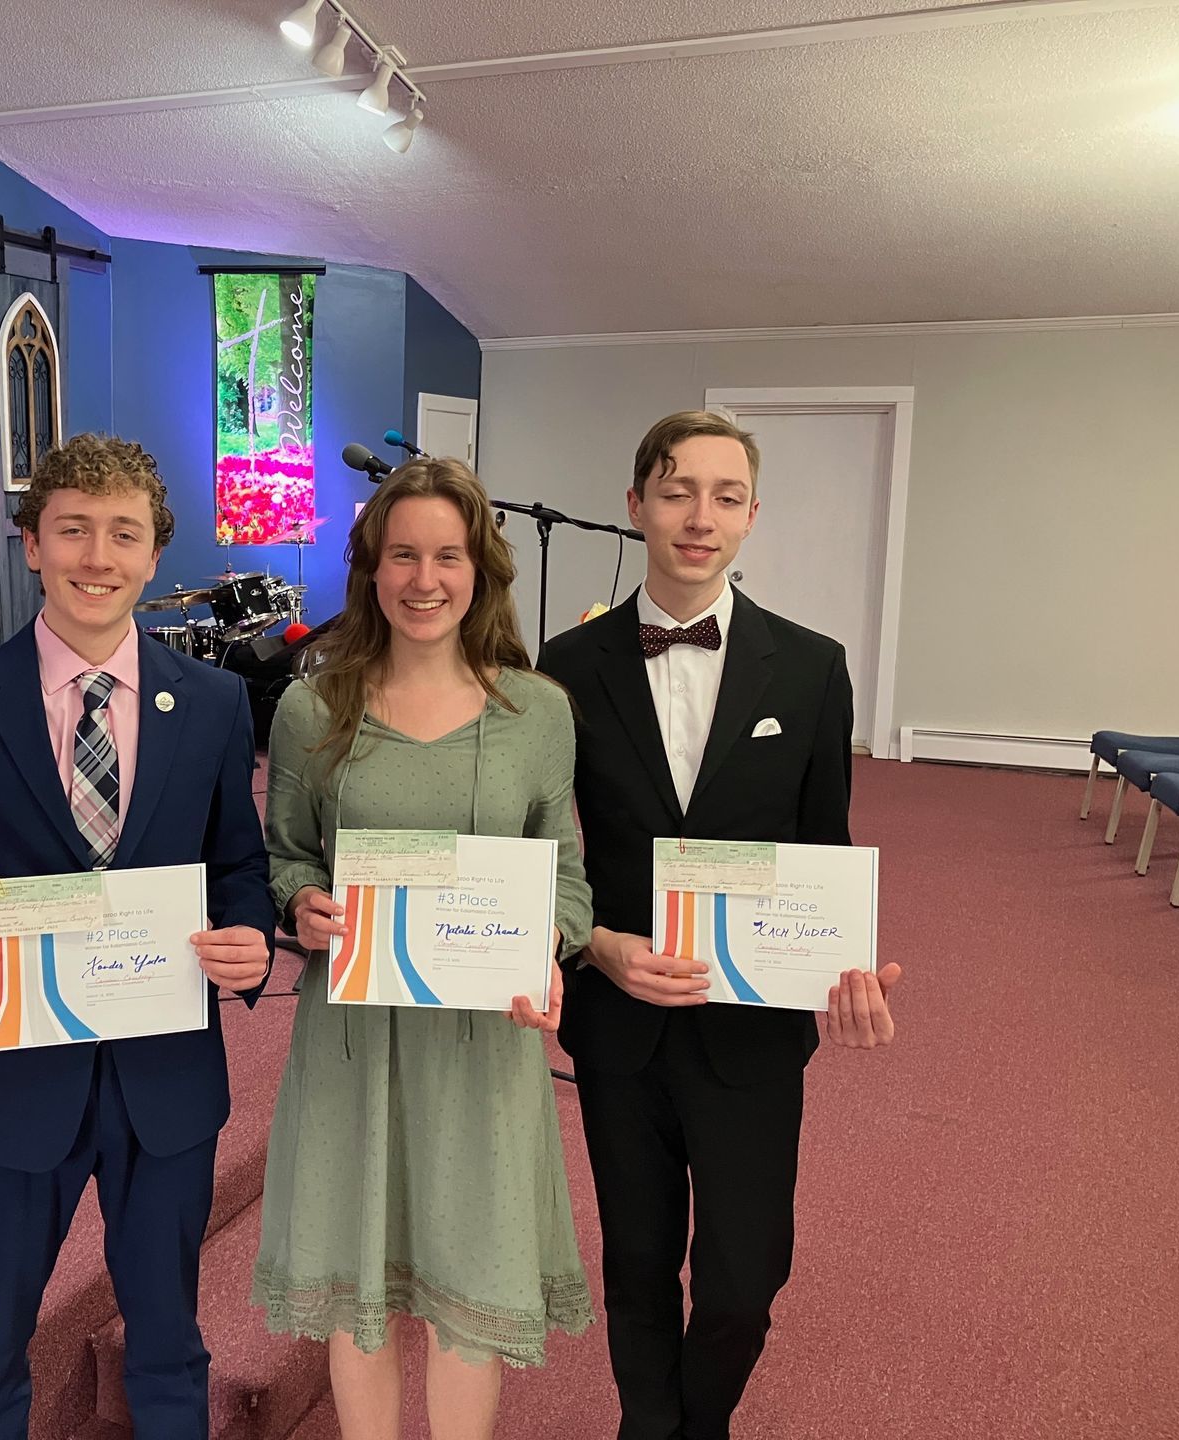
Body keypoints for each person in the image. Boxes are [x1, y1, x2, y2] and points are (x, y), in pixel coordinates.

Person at [0, 433, 275, 1439]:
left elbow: (239, 865)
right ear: (32, 545)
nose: (98, 557)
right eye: (73, 530)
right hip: (13, 1081)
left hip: (165, 1081)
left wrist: (251, 937)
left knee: (169, 1340)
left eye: (123, 534)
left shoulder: (216, 703)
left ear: (154, 555)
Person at [537, 410, 904, 1440]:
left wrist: (845, 968)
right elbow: (546, 850)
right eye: (677, 491)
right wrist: (591, 944)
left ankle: (698, 1422)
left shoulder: (813, 666)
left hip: (752, 1027)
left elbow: (822, 843)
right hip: (623, 1022)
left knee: (745, 1278)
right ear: (636, 505)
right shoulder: (566, 666)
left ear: (751, 515)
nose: (700, 517)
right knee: (637, 1262)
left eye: (725, 496)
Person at [252, 456, 596, 1439]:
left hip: (484, 1040)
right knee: (355, 1289)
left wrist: (546, 942)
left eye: (448, 555)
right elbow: (285, 856)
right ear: (371, 569)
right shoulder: (311, 709)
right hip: (353, 1040)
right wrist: (301, 902)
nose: (424, 578)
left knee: (469, 1289)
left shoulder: (539, 713)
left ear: (481, 569)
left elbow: (566, 875)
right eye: (402, 555)